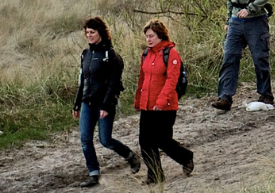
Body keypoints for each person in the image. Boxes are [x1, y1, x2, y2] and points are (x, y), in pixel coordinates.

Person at [73, 17, 139, 187]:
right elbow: (83, 81)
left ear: (101, 32)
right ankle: (93, 174)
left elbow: (114, 83)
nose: (89, 35)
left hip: (104, 103)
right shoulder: (85, 54)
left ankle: (130, 156)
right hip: (87, 103)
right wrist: (77, 103)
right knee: (85, 139)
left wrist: (106, 105)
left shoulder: (111, 55)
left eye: (92, 32)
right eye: (87, 32)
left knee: (105, 140)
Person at [211, 0, 273, 112]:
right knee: (229, 56)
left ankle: (265, 94)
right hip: (236, 21)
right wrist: (228, 20)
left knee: (260, 57)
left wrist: (250, 9)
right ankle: (225, 97)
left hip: (256, 20)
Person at [135, 19, 193, 185]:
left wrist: (161, 101)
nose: (148, 39)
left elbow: (172, 80)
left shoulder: (171, 53)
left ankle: (186, 157)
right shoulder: (146, 54)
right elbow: (143, 79)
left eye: (151, 36)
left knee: (162, 140)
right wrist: (138, 100)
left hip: (165, 106)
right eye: (147, 36)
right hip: (147, 105)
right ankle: (155, 175)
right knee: (145, 141)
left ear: (161, 35)